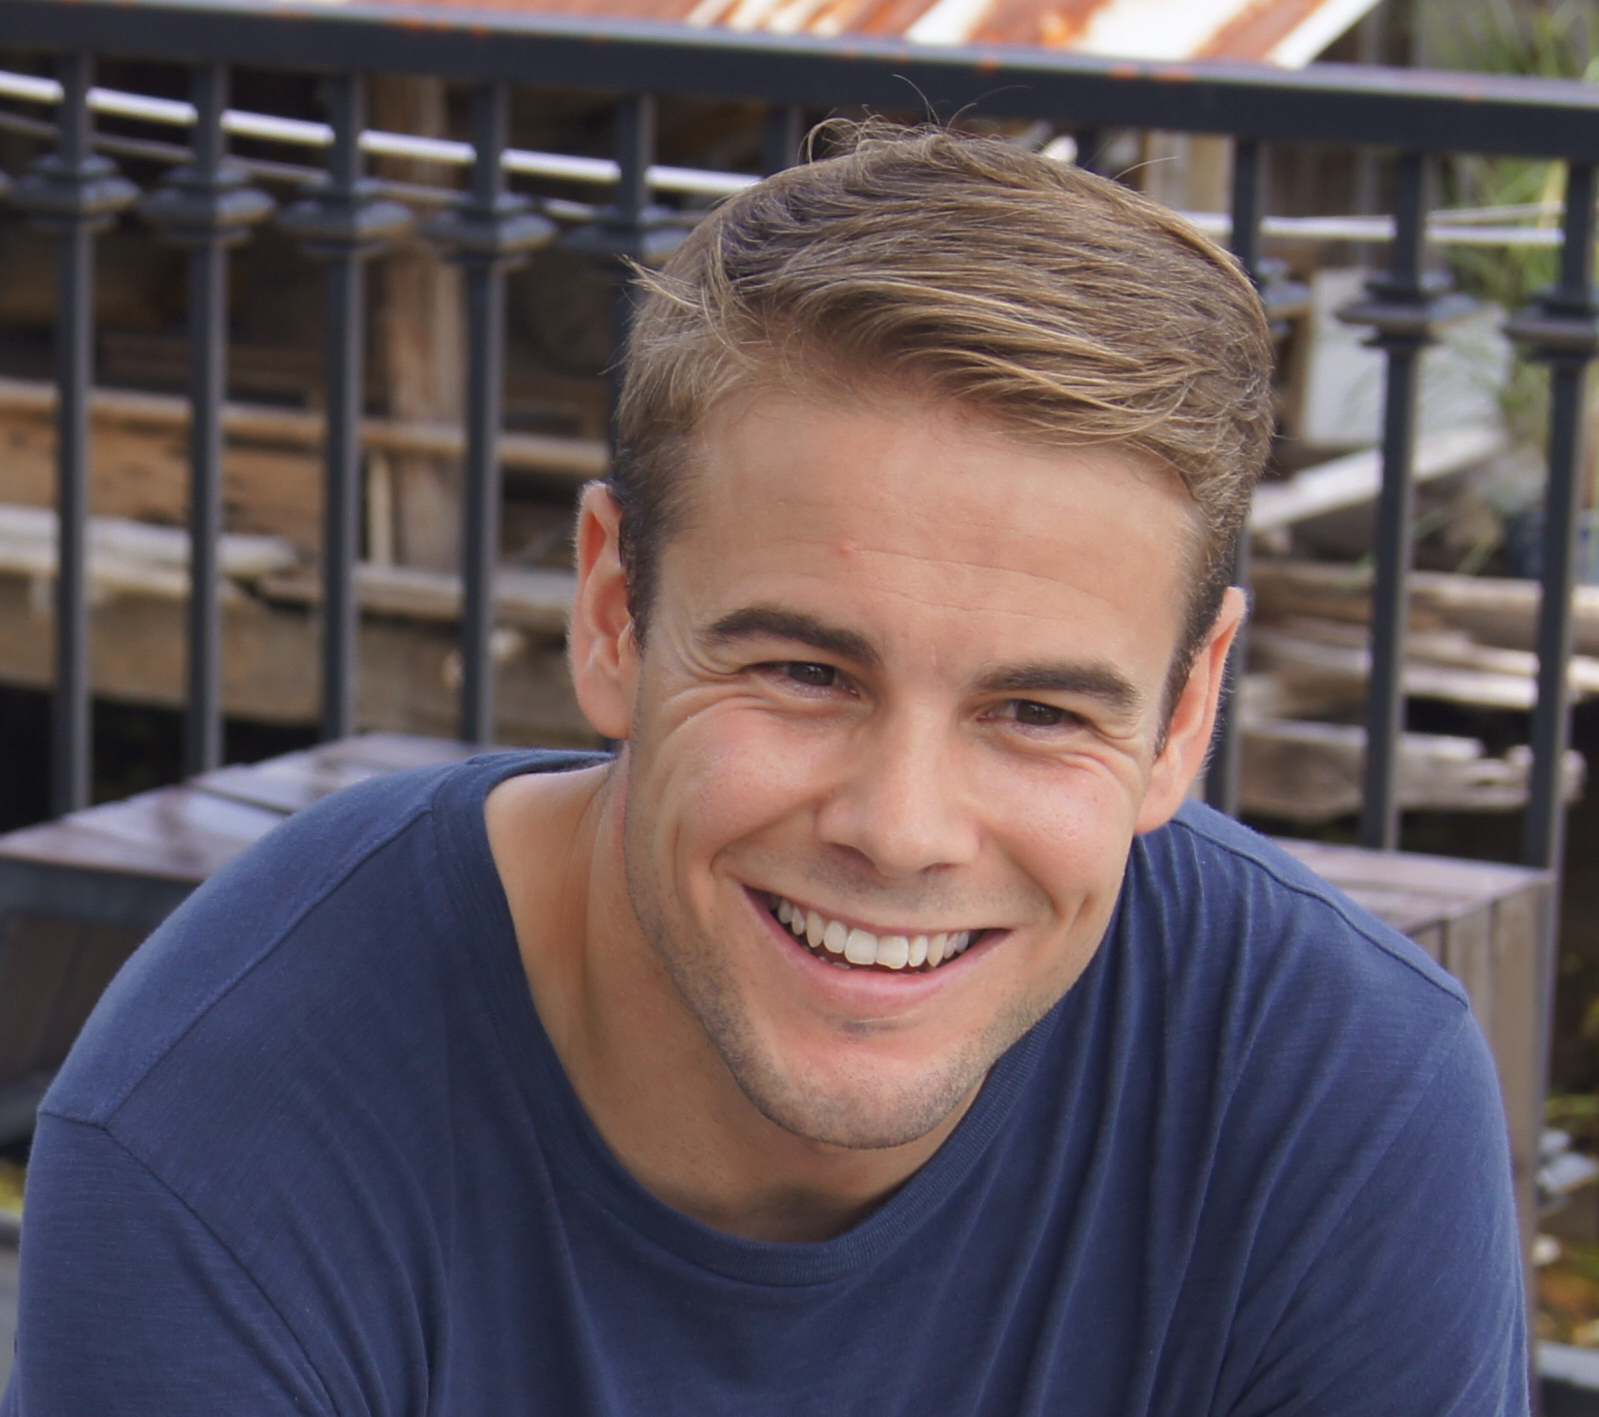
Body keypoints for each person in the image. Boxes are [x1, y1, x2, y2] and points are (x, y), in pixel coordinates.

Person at [4, 125, 1526, 1416]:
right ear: (614, 613)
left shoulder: (1338, 1093)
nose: (901, 829)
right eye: (806, 673)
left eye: (1037, 711)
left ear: (1186, 717)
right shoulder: (217, 1124)